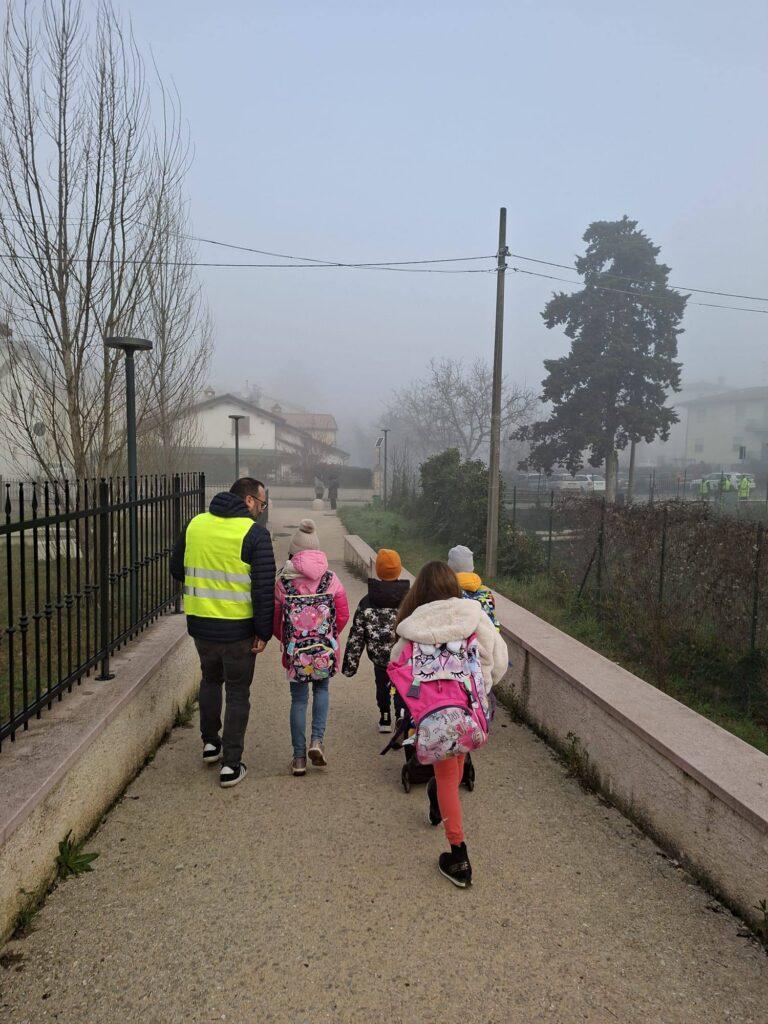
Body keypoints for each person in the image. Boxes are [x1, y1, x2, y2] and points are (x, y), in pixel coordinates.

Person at [390, 561, 508, 888]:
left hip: (435, 717)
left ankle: (459, 857)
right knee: (453, 766)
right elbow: (498, 661)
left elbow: (395, 665)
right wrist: (481, 690)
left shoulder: (412, 627)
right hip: (470, 712)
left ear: (421, 591)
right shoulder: (474, 616)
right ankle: (447, 824)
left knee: (445, 775)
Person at [170, 477, 275, 789]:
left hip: (201, 626)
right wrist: (263, 632)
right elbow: (263, 590)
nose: (262, 510)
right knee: (238, 693)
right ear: (249, 500)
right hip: (239, 631)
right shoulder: (254, 534)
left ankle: (210, 744)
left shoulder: (195, 525)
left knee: (210, 680)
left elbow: (176, 568)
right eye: (261, 503)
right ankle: (231, 764)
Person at [274, 519, 349, 776]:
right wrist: (328, 637)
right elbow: (342, 615)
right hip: (324, 650)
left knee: (298, 699)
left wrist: (289, 642)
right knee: (322, 690)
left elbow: (276, 621)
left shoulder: (283, 582)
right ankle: (317, 741)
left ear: (293, 552)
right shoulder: (331, 579)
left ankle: (298, 759)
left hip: (296, 652)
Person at [342, 548, 410, 732]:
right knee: (402, 685)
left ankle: (385, 718)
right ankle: (401, 715)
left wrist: (350, 665)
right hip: (403, 657)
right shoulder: (409, 600)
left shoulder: (367, 601)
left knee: (382, 686)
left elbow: (357, 635)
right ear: (399, 570)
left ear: (378, 571)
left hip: (379, 658)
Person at [447, 545, 500, 630]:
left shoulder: (447, 592)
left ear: (449, 569)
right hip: (490, 635)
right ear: (472, 569)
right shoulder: (486, 593)